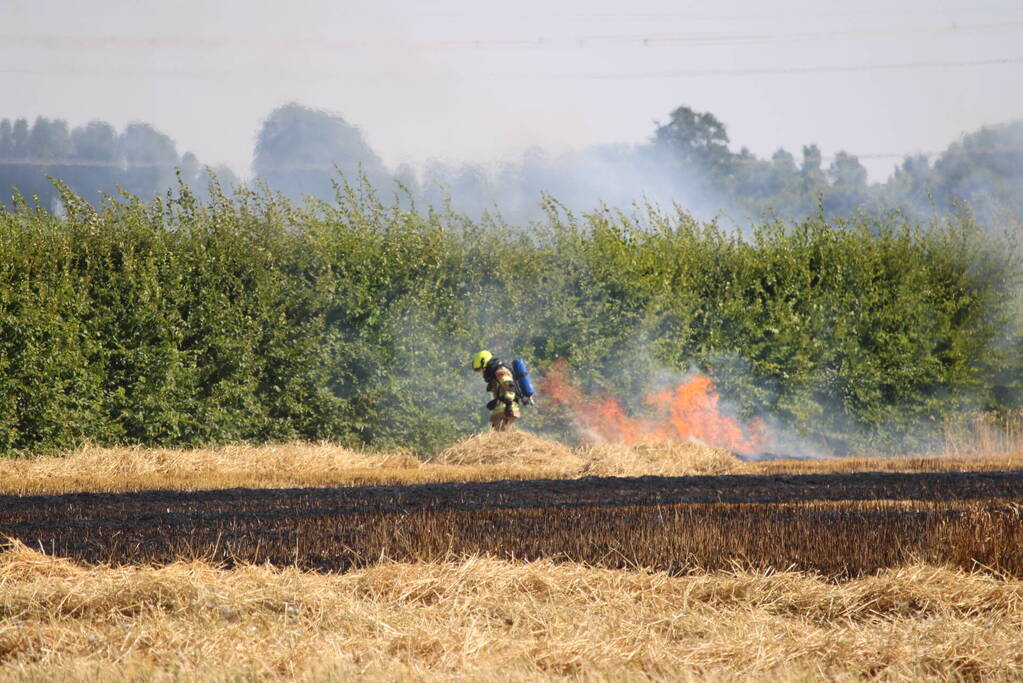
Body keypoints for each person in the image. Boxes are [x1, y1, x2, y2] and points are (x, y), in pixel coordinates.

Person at [472, 350, 520, 431]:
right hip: (501, 410)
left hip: (506, 410)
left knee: (503, 437)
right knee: (499, 435)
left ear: (484, 363)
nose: (482, 373)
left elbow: (510, 387)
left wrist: (507, 406)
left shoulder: (499, 371)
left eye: (481, 369)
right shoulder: (494, 373)